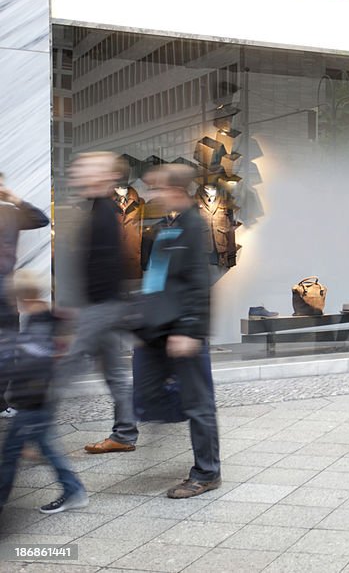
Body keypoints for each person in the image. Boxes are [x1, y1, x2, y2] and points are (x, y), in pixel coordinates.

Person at [134, 164, 221, 499]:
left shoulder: (192, 225)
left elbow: (199, 284)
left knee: (200, 404)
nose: (151, 194)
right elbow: (159, 278)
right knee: (154, 393)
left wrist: (188, 329)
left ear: (175, 191)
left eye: (156, 188)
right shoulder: (168, 226)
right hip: (162, 328)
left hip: (185, 331)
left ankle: (207, 473)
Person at [58, 153, 139, 454]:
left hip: (100, 307)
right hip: (104, 305)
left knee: (63, 370)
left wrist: (85, 314)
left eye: (83, 169)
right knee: (115, 375)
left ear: (102, 176)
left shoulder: (103, 211)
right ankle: (124, 434)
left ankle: (33, 436)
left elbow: (105, 265)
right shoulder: (96, 209)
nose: (76, 173)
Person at [0, 270, 88, 515]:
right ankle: (73, 490)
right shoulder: (39, 317)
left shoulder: (40, 320)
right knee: (42, 445)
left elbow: (34, 360)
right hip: (36, 398)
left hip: (35, 399)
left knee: (11, 452)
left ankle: (73, 490)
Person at [0, 173, 49, 419]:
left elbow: (41, 219)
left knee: (9, 348)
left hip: (5, 290)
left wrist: (16, 199)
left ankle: (0, 403)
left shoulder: (10, 212)